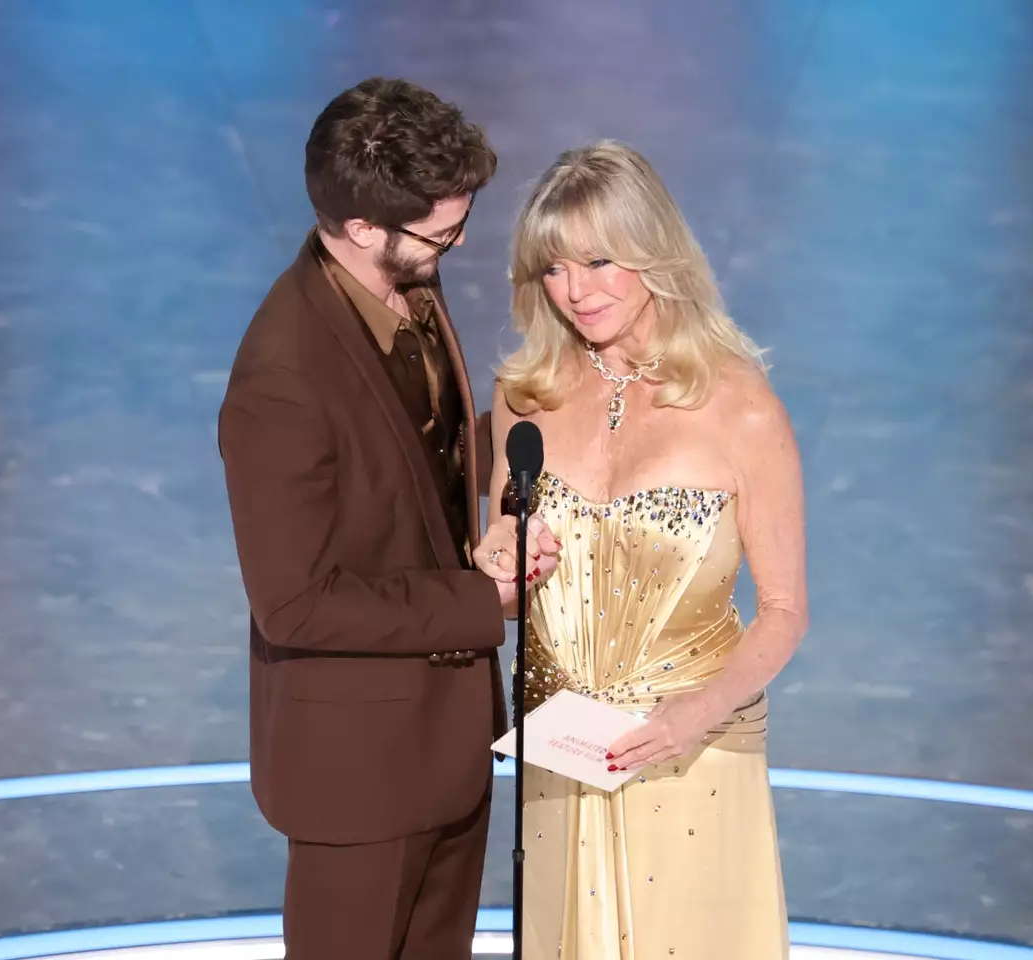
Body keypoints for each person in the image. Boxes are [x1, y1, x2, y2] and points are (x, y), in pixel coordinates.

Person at [217, 77, 558, 960]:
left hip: (444, 740)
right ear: (362, 226)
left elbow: (418, 463)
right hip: (357, 772)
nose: (457, 242)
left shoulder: (404, 280)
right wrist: (486, 603)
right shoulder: (281, 381)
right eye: (440, 230)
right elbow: (294, 605)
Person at [475, 141, 809, 959]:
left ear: (654, 254)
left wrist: (692, 715)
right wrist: (495, 560)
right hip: (563, 749)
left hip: (690, 752)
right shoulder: (524, 394)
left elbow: (785, 612)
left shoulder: (741, 407)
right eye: (552, 268)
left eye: (598, 260)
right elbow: (503, 571)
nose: (575, 291)